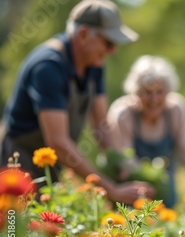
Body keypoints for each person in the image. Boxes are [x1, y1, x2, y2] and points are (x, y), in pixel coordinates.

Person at [0, 0, 154, 205]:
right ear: (82, 34)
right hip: (16, 163)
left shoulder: (94, 64)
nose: (113, 50)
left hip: (51, 166)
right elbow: (58, 142)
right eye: (109, 42)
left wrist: (122, 166)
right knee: (15, 232)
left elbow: (102, 127)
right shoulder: (48, 67)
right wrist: (111, 189)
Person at [107, 55, 185, 208]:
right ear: (135, 92)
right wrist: (145, 187)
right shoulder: (123, 114)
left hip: (166, 187)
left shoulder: (176, 110)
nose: (154, 99)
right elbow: (124, 162)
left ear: (168, 91)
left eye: (160, 92)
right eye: (147, 92)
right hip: (131, 189)